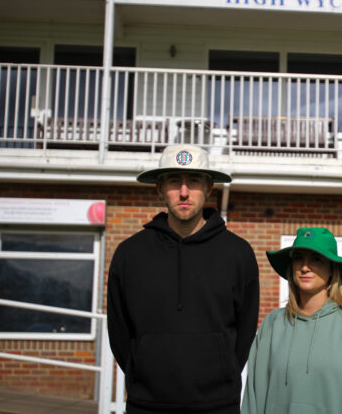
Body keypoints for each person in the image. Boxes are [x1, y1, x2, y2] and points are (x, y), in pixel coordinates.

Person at [107, 145, 259, 414]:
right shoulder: (130, 254)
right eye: (175, 181)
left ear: (209, 187)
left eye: (195, 181)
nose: (185, 192)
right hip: (146, 406)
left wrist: (223, 372)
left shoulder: (238, 253)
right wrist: (143, 372)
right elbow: (119, 332)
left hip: (218, 406)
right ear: (159, 188)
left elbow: (245, 330)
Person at [242, 227, 342, 414]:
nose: (305, 267)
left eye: (316, 259)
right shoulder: (272, 324)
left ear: (332, 268)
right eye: (299, 258)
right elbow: (254, 397)